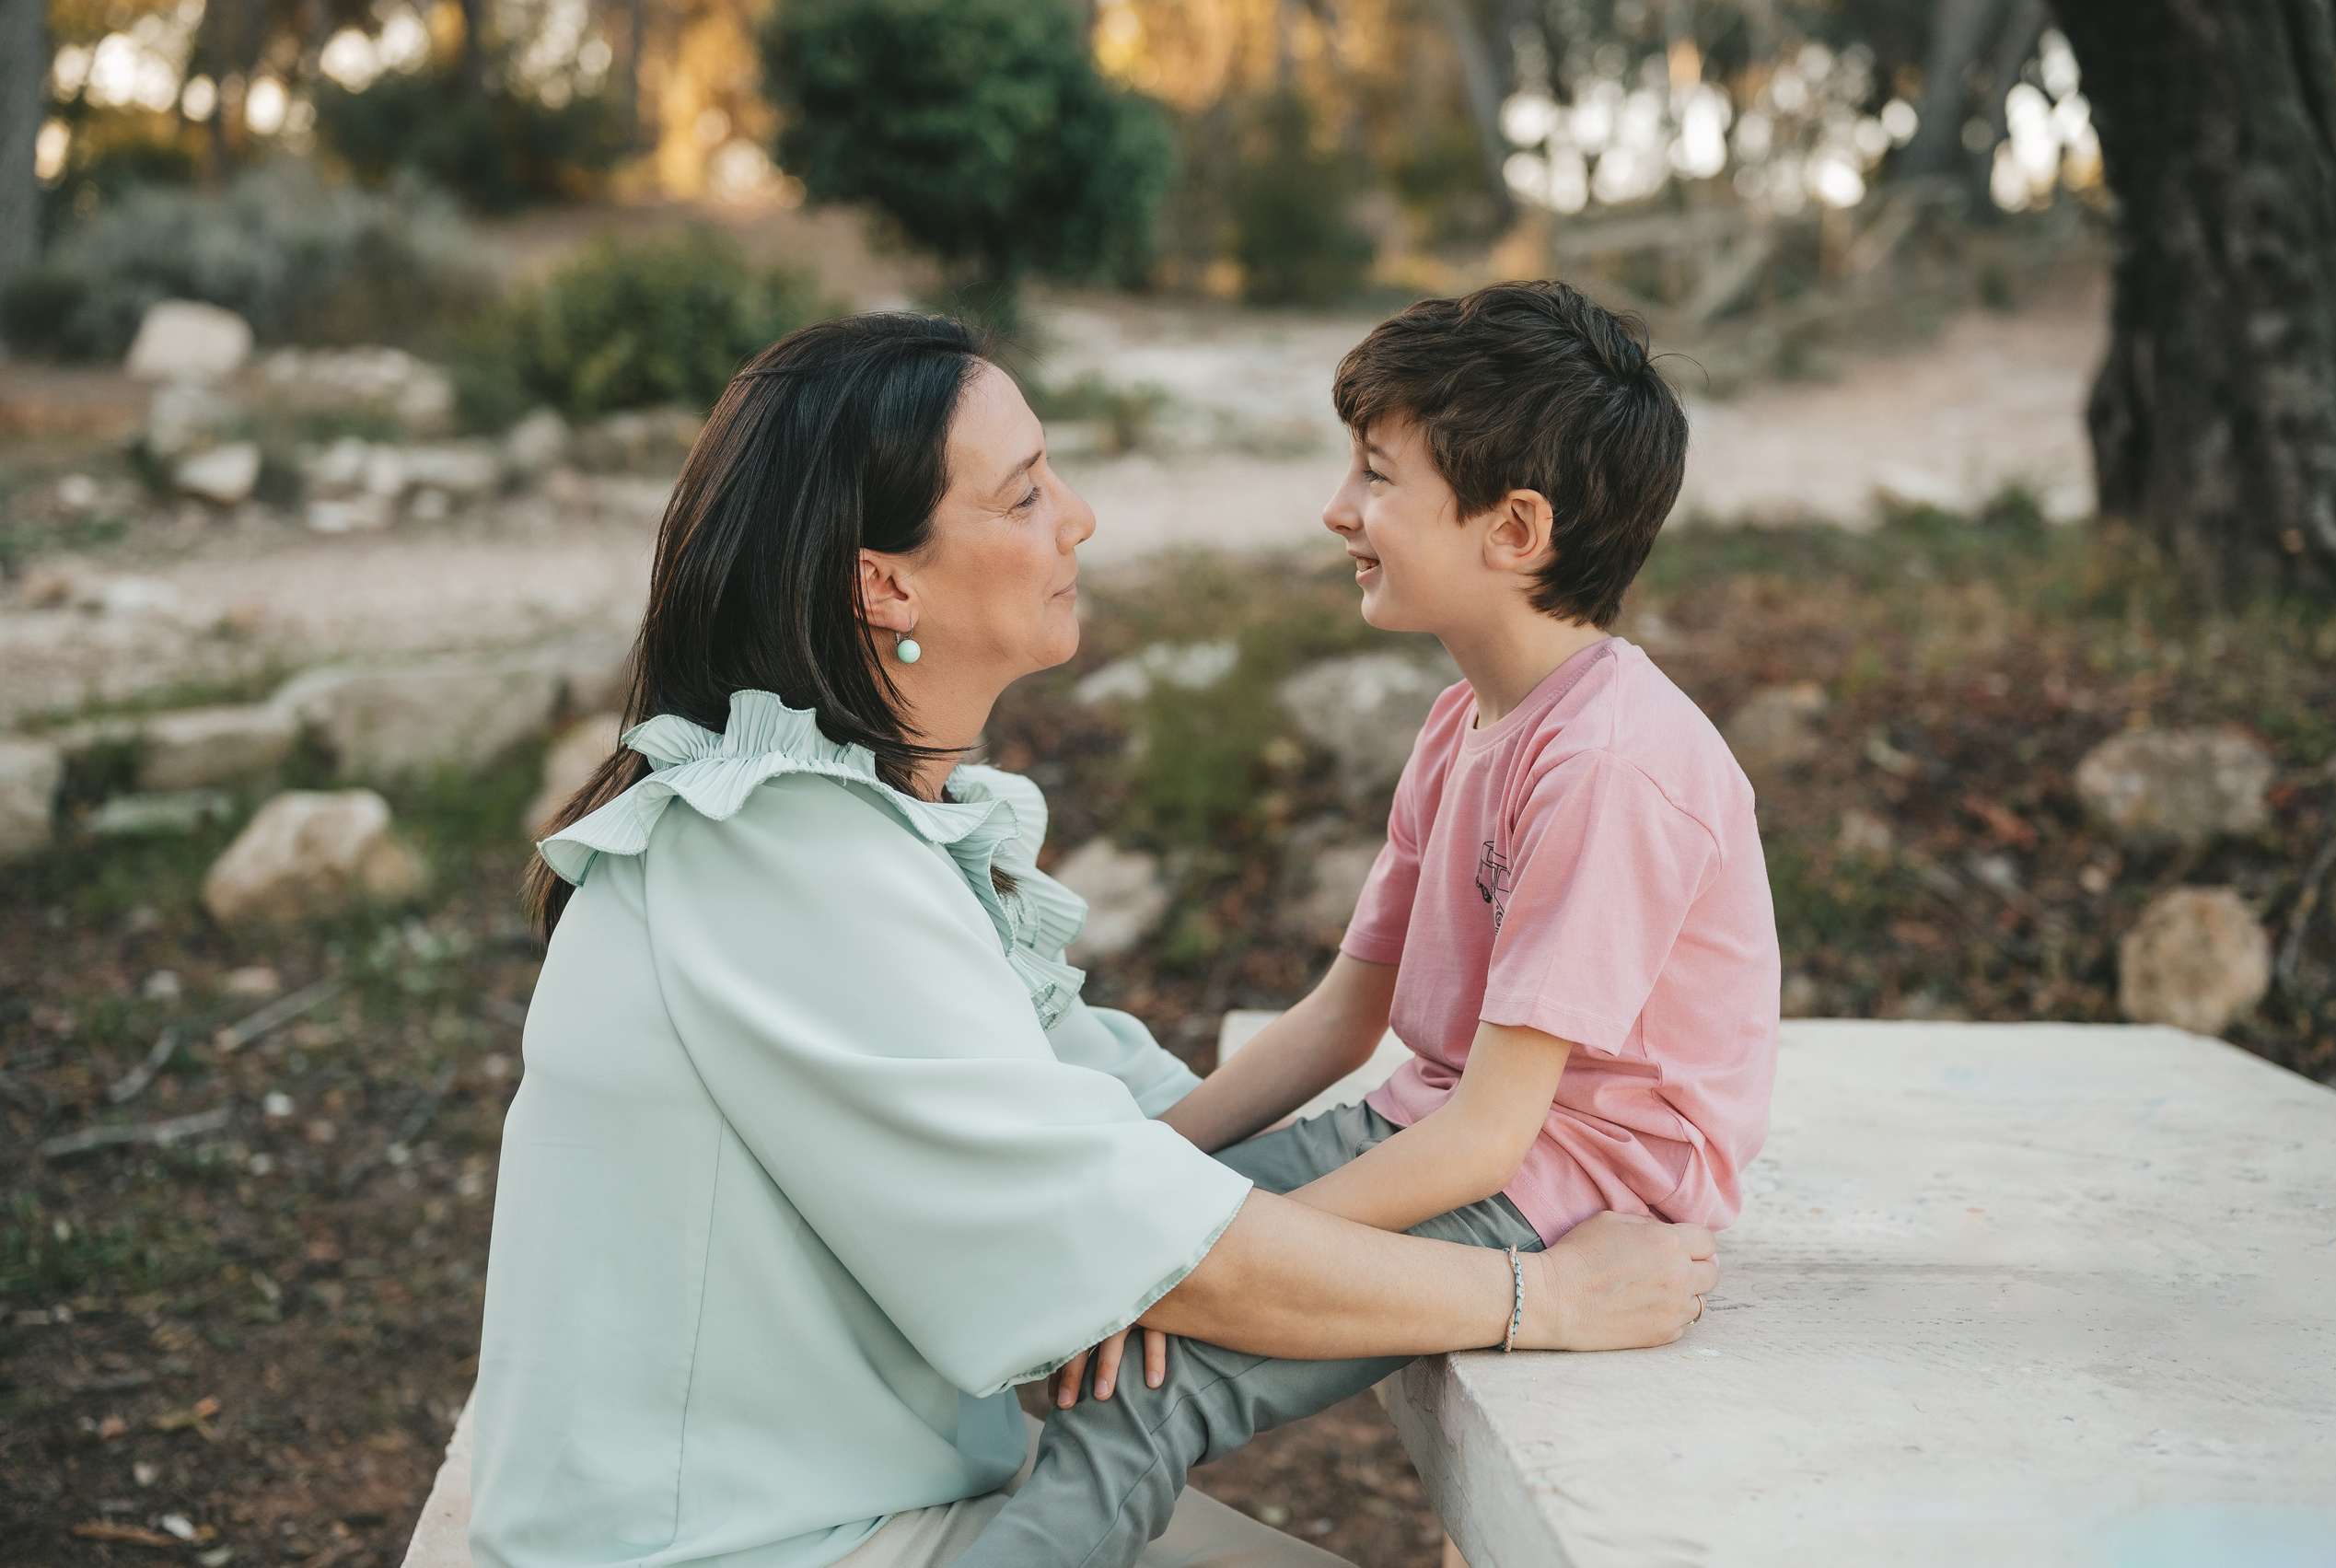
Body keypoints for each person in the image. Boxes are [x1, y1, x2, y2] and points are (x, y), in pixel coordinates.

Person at [468, 311, 1719, 1568]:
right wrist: (1539, 1299)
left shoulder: (853, 828)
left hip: (854, 1498)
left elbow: (1100, 1119)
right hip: (736, 1545)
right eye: (1023, 495)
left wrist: (1244, 1209)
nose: (1079, 518)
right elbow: (1153, 1236)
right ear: (884, 580)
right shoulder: (777, 859)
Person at [950, 282, 1780, 1568]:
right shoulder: (1467, 723)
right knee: (1065, 1279)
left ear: (1514, 529)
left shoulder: (1613, 767)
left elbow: (1500, 1131)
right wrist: (1139, 1173)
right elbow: (1346, 1017)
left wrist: (1225, 1257)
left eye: (1379, 477)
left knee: (1135, 1394)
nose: (1340, 509)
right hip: (1435, 1135)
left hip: (1558, 1192)